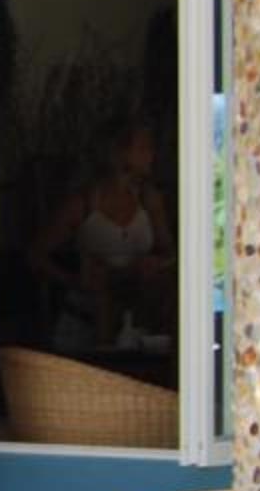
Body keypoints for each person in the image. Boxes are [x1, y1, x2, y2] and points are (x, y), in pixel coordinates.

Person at [29, 119, 175, 351]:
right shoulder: (82, 204)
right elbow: (35, 255)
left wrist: (153, 263)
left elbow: (170, 253)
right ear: (119, 153)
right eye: (143, 147)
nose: (151, 154)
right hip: (92, 312)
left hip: (139, 309)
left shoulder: (148, 199)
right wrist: (74, 281)